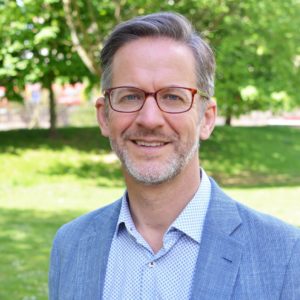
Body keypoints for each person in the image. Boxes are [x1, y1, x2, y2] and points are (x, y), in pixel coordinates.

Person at [49, 12, 300, 300]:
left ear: (206, 118)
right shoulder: (71, 246)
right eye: (130, 96)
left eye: (173, 97)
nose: (150, 119)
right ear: (104, 117)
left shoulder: (286, 254)